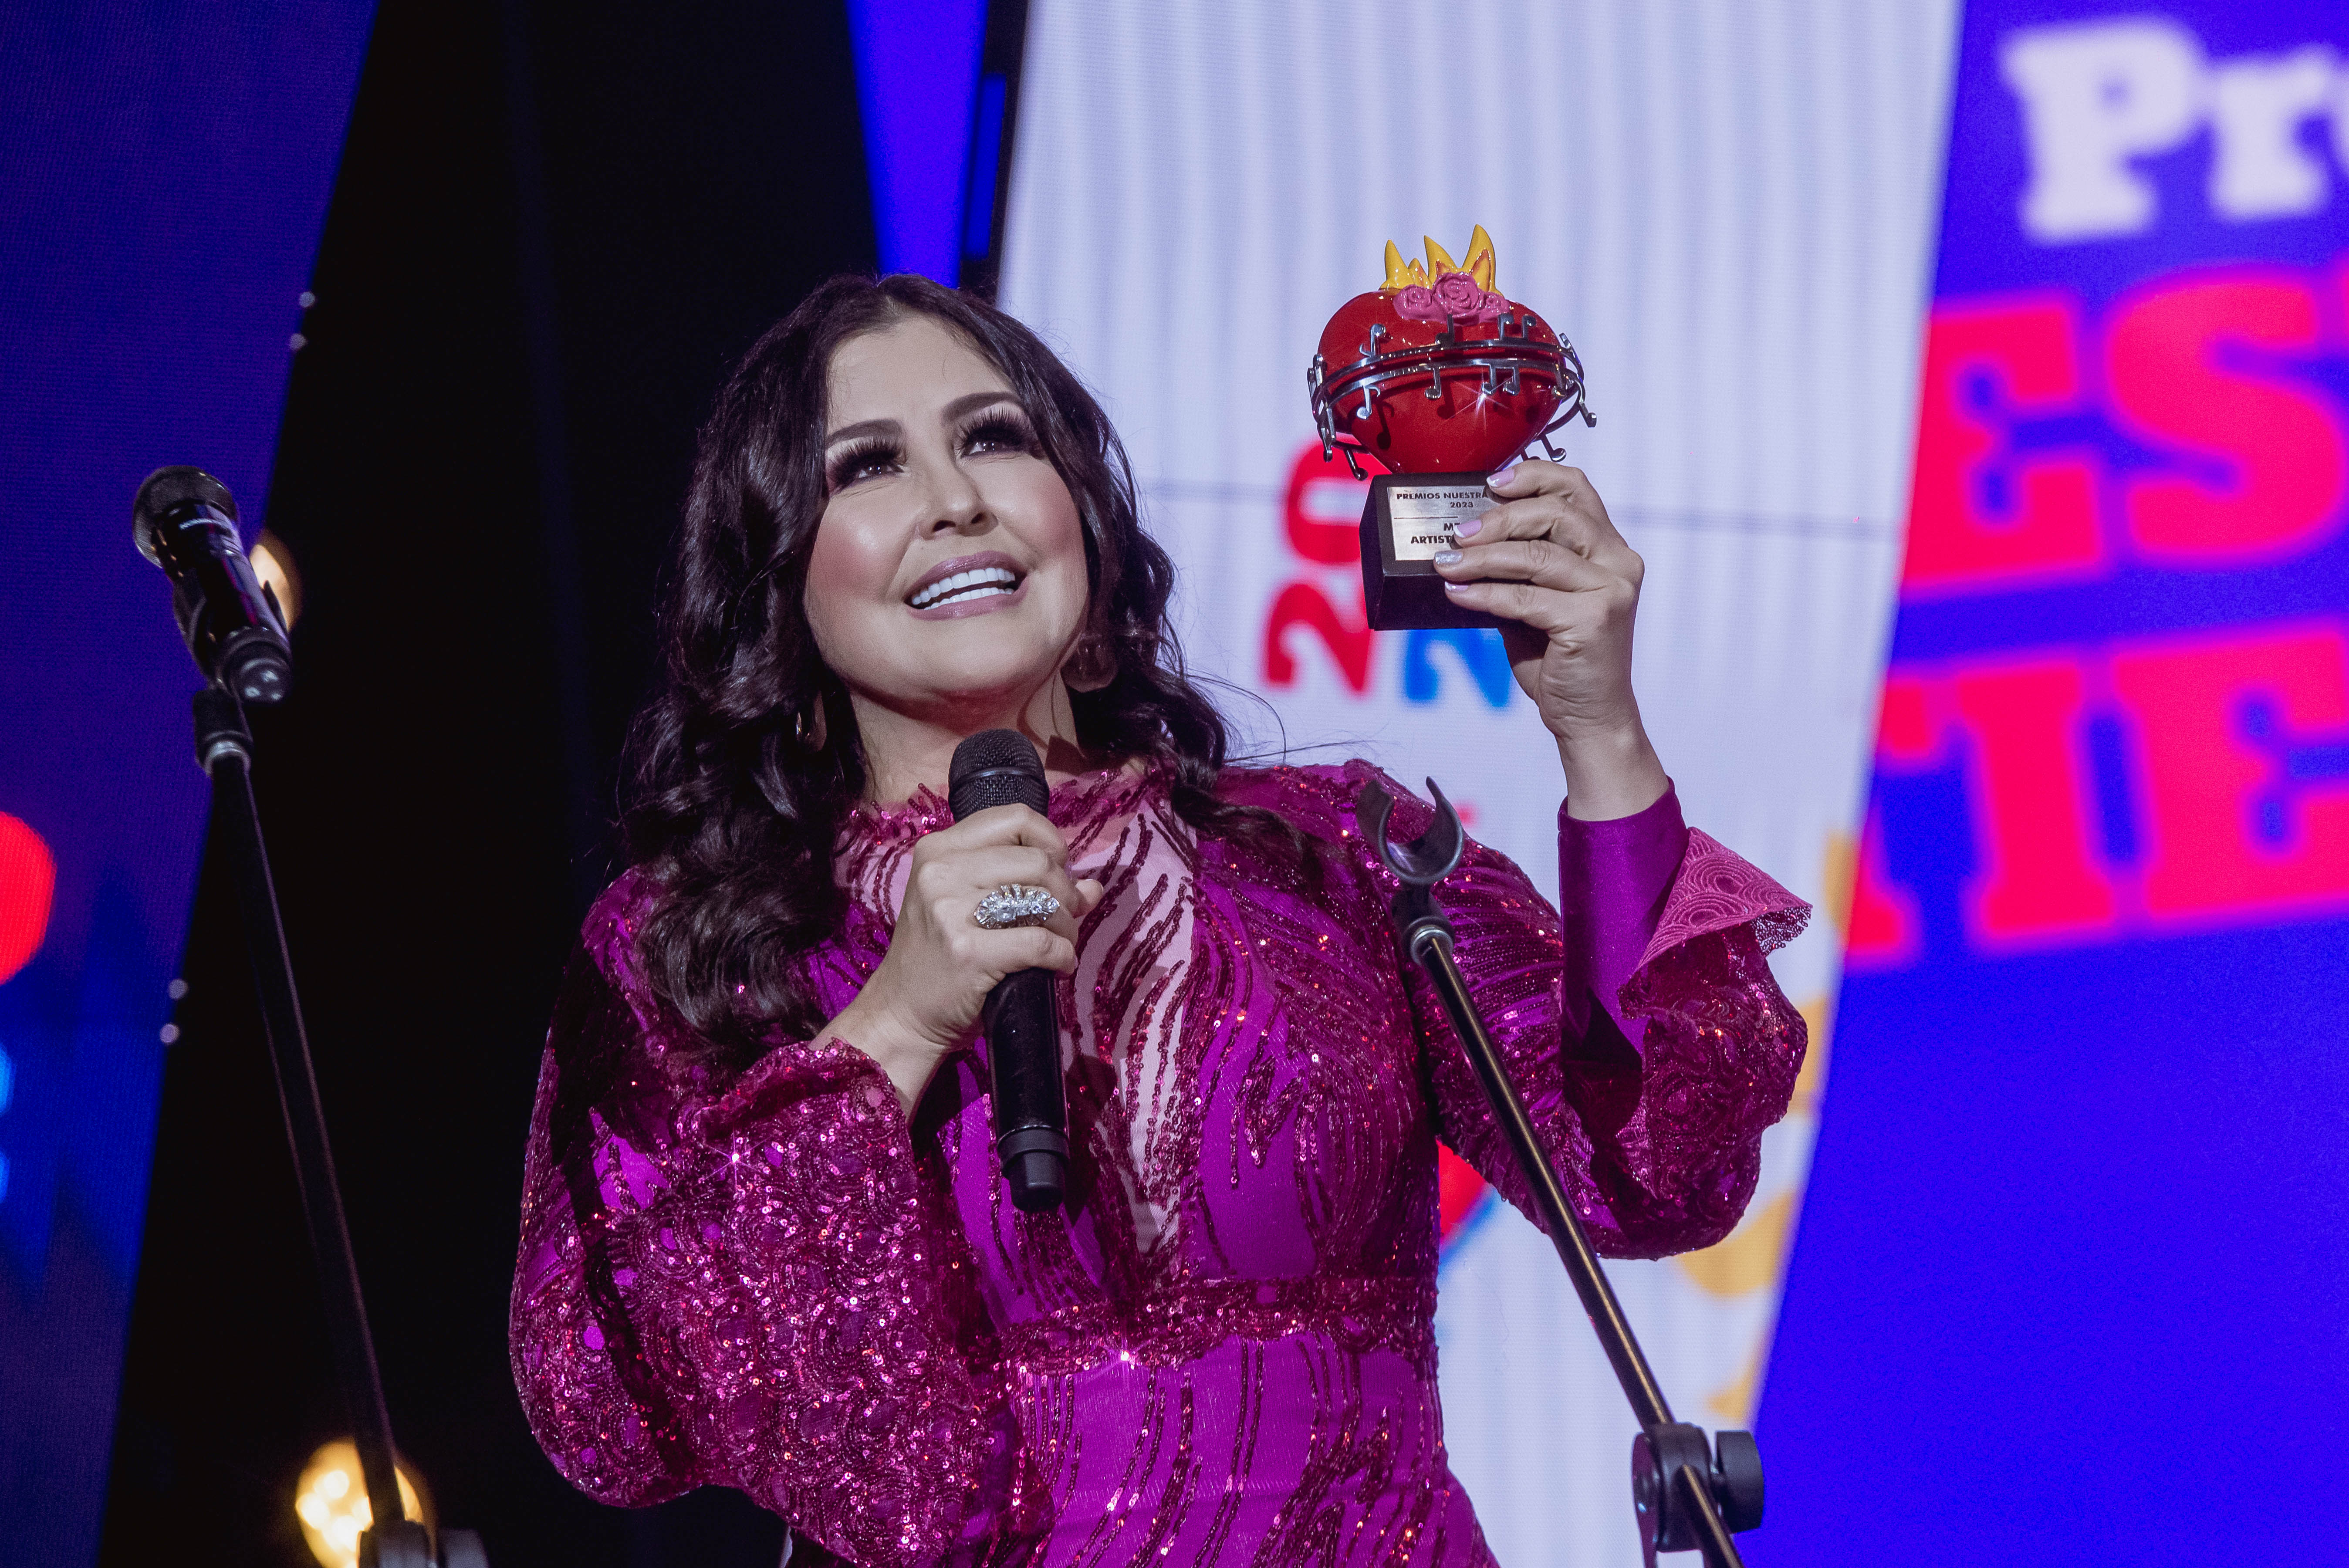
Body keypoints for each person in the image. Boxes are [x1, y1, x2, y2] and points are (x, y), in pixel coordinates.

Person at [510, 274, 1808, 1566]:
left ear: (1079, 518)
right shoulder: (698, 958)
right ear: (781, 588)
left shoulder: (1337, 858)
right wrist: (891, 1028)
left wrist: (1600, 729)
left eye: (992, 438)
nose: (953, 499)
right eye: (867, 467)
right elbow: (616, 1411)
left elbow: (1658, 1174)